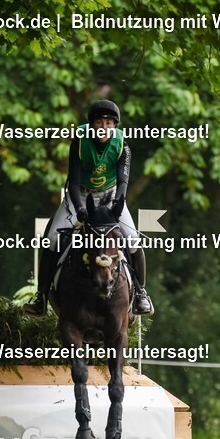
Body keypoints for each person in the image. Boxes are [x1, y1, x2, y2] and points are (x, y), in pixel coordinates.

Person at [24, 100, 154, 316]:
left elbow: (123, 182)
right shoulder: (80, 141)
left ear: (115, 125)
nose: (104, 128)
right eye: (99, 122)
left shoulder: (122, 144)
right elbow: (74, 182)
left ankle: (141, 293)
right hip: (80, 195)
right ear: (92, 124)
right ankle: (41, 297)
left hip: (111, 195)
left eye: (109, 123)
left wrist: (117, 204)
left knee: (133, 239)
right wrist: (79, 208)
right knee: (52, 239)